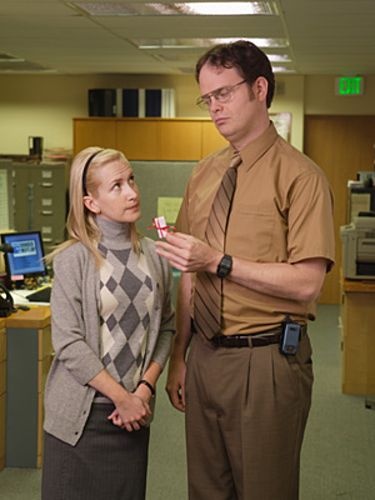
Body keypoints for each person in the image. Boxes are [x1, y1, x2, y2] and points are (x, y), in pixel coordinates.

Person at [155, 40, 335, 500]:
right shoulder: (205, 173)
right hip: (205, 358)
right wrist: (180, 355)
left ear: (260, 89)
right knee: (206, 490)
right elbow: (188, 270)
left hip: (267, 360)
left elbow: (308, 281)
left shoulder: (301, 176)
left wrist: (220, 261)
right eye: (207, 98)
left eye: (224, 94)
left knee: (263, 490)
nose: (214, 108)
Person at [41, 147, 175, 500]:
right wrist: (121, 397)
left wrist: (143, 390)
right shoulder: (74, 260)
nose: (132, 191)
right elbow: (69, 344)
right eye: (116, 185)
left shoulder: (155, 257)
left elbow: (166, 328)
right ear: (91, 202)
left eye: (131, 179)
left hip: (132, 417)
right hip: (81, 420)